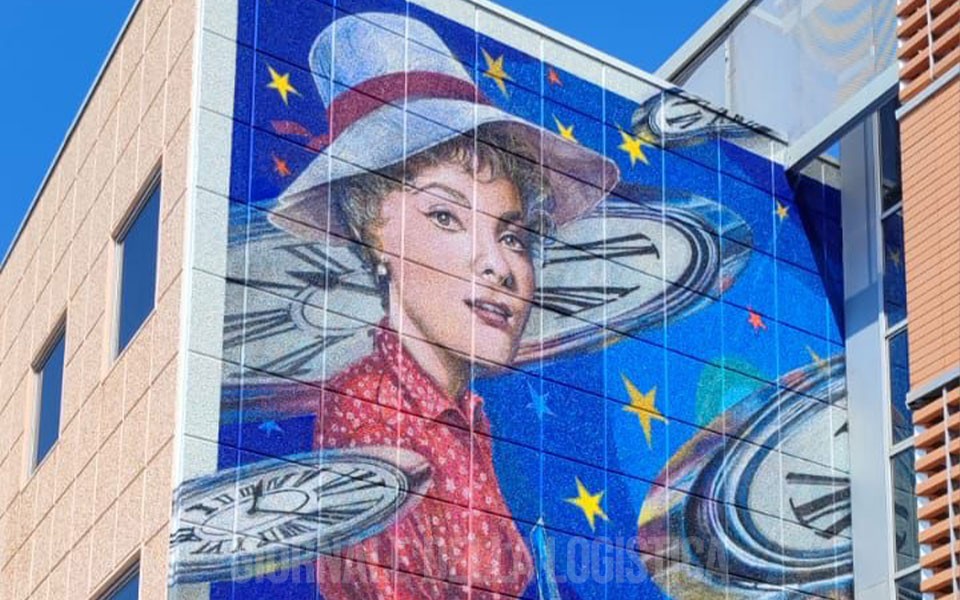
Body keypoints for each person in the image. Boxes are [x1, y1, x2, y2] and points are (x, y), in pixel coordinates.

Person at [269, 11, 619, 599]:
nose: (498, 265)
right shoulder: (370, 416)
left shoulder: (463, 414)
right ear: (374, 238)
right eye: (445, 216)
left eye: (513, 236)